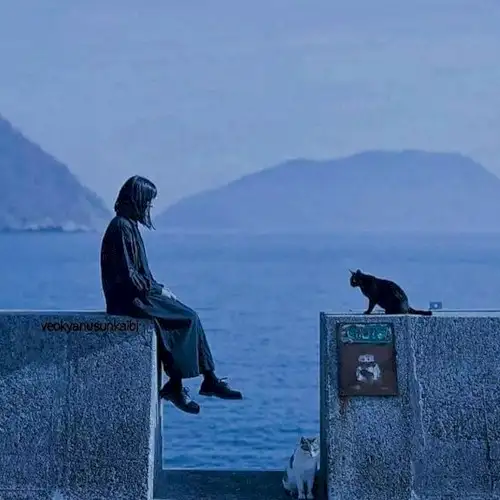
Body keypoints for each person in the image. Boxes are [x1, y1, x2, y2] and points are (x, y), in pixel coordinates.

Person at [100, 175, 242, 414]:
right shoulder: (121, 227)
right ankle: (190, 383)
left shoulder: (127, 225)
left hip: (136, 295)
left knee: (187, 316)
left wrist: (158, 289)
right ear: (137, 200)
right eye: (147, 201)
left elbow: (139, 274)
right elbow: (128, 275)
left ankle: (200, 380)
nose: (149, 207)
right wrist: (158, 291)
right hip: (128, 300)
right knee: (186, 318)